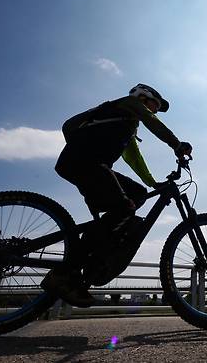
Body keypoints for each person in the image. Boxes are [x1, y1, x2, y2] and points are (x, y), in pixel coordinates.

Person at [41, 84, 192, 307]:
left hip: (91, 166)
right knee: (124, 209)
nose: (155, 111)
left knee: (138, 194)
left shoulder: (127, 125)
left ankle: (90, 252)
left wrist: (153, 183)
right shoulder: (127, 104)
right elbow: (153, 123)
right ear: (143, 97)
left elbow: (135, 160)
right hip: (86, 162)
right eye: (155, 105)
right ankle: (64, 273)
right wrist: (177, 145)